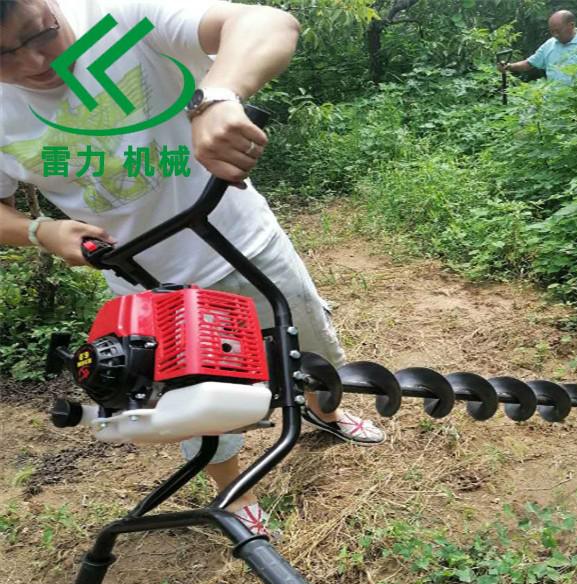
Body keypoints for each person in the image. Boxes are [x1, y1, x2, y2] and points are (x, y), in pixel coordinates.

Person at [0, 0, 384, 534]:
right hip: (144, 286)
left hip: (244, 243)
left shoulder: (118, 15)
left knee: (307, 345)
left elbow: (268, 23)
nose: (33, 63)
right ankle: (236, 491)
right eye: (2, 57)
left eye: (39, 34)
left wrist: (220, 95)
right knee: (198, 401)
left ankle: (326, 412)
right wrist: (39, 231)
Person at [501, 10, 577, 92]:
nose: (555, 35)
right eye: (552, 31)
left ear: (571, 25)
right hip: (555, 104)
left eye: (558, 31)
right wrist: (509, 66)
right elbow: (529, 63)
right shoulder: (550, 44)